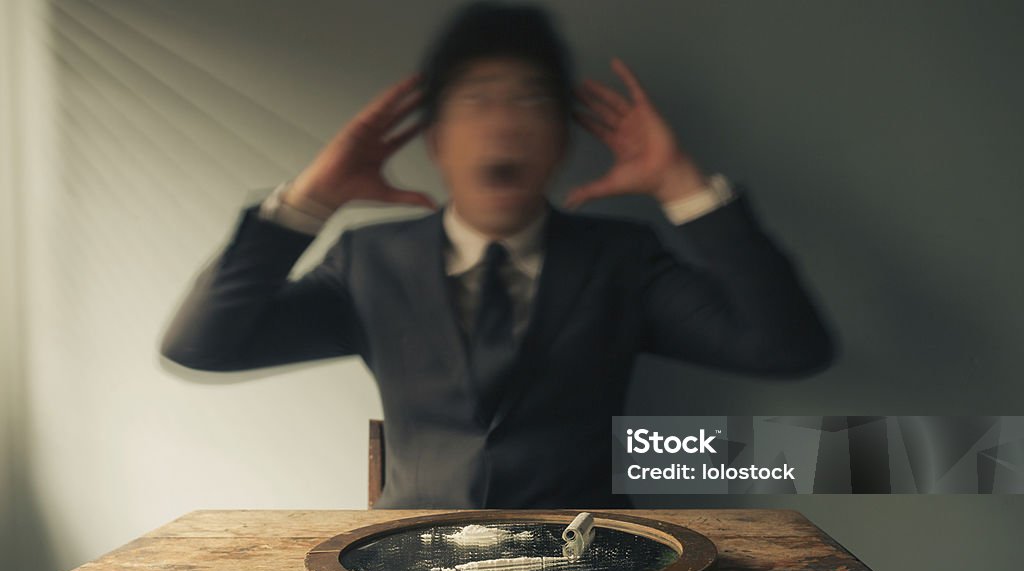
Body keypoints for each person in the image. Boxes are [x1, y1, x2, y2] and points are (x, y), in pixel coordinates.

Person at [160, 1, 835, 509]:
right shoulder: (369, 262)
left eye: (531, 101)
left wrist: (682, 186)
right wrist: (312, 199)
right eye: (476, 101)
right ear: (436, 141)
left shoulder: (620, 258)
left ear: (563, 143)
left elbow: (789, 348)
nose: (504, 120)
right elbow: (203, 346)